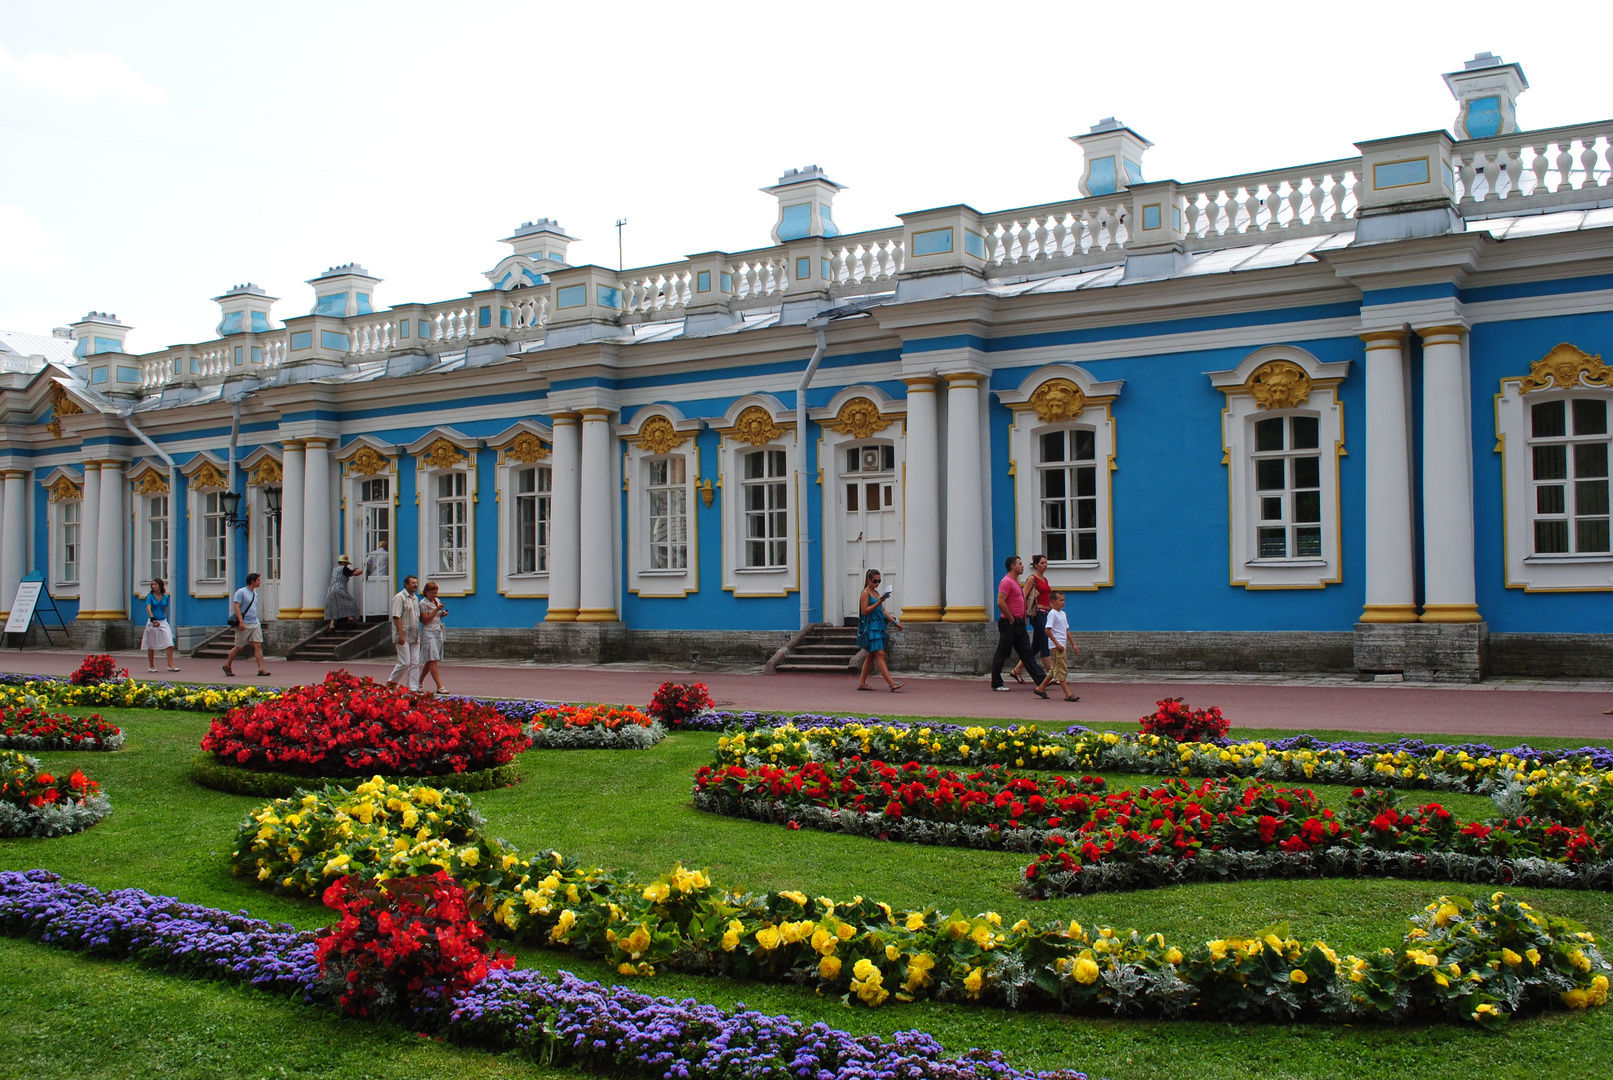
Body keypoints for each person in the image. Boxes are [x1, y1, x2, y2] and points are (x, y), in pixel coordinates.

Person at [990, 555, 1046, 694]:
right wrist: (1011, 618)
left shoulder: (1015, 581)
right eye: (1020, 564)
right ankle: (996, 682)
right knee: (1002, 653)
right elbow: (1000, 602)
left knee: (1026, 652)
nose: (1022, 566)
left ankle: (1042, 679)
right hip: (1010, 623)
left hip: (1019, 623)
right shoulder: (1006, 582)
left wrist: (1023, 617)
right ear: (1012, 566)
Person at [854, 568, 904, 692]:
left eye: (879, 581)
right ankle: (891, 683)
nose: (877, 584)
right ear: (868, 580)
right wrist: (879, 602)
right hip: (872, 627)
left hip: (879, 626)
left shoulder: (876, 593)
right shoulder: (865, 593)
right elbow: (865, 610)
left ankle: (861, 683)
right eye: (875, 581)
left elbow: (882, 611)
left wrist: (895, 622)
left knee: (871, 655)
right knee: (880, 654)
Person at [1010, 554, 1051, 684]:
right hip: (1037, 614)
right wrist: (1023, 615)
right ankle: (1052, 676)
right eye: (1042, 563)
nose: (1044, 565)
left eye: (1046, 563)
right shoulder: (1032, 579)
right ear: (1035, 565)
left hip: (1046, 613)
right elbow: (1023, 596)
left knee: (1035, 647)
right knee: (1044, 644)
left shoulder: (1045, 579)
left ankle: (1016, 670)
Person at [1034, 591, 1080, 702]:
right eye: (1060, 600)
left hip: (1062, 645)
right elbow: (1047, 630)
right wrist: (1056, 643)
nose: (1063, 602)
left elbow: (1066, 630)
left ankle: (1040, 688)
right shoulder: (1052, 614)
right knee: (1061, 669)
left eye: (1064, 600)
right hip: (1057, 646)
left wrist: (1073, 643)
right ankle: (1067, 693)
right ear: (1053, 601)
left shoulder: (1063, 614)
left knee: (1055, 669)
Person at [222, 572, 270, 677]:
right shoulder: (241, 592)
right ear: (252, 581)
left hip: (254, 623)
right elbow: (236, 607)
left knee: (258, 645)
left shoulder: (255, 594)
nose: (260, 582)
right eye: (258, 580)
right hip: (244, 623)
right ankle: (227, 665)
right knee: (239, 647)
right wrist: (241, 621)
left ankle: (261, 668)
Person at [387, 574, 421, 691]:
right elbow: (397, 616)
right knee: (405, 662)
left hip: (414, 635)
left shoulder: (415, 598)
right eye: (413, 583)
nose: (415, 585)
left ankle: (413, 688)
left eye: (416, 583)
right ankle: (392, 681)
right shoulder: (399, 597)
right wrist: (401, 635)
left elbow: (417, 617)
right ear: (406, 584)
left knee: (415, 663)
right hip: (404, 635)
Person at [141, 577, 179, 673]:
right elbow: (148, 608)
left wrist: (166, 620)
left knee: (169, 642)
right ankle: (152, 666)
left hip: (163, 621)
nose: (153, 586)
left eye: (155, 584)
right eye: (152, 584)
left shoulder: (165, 597)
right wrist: (153, 619)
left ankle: (170, 665)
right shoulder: (150, 596)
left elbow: (165, 610)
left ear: (160, 585)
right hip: (152, 622)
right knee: (151, 644)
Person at [418, 581, 448, 693]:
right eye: (432, 593)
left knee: (432, 659)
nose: (434, 595)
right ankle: (440, 686)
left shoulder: (437, 601)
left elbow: (436, 617)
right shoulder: (423, 603)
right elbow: (425, 620)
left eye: (436, 593)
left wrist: (442, 614)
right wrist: (436, 610)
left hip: (437, 631)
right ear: (426, 592)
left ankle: (420, 681)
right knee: (433, 659)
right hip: (428, 632)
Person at [324, 554, 361, 631]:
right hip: (339, 588)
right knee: (350, 602)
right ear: (345, 563)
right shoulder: (344, 568)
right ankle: (350, 617)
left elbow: (348, 573)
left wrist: (352, 570)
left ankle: (332, 625)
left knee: (334, 607)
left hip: (331, 589)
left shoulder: (335, 569)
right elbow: (354, 574)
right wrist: (364, 570)